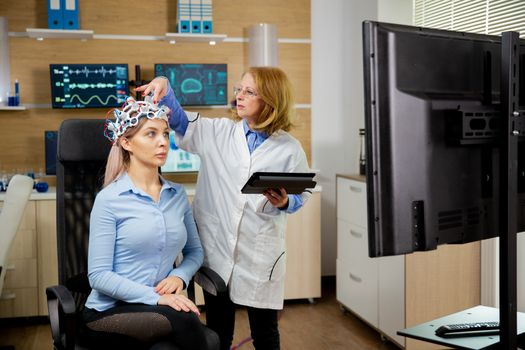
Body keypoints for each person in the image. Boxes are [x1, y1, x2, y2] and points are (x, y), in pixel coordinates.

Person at [136, 67, 312, 350]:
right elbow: (181, 120)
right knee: (218, 331)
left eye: (249, 92)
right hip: (217, 248)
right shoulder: (218, 132)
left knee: (265, 333)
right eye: (238, 90)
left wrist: (285, 201)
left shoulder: (289, 149)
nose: (239, 97)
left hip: (259, 253)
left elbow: (303, 191)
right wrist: (165, 87)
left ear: (270, 99)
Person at [83, 96, 216, 350]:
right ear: (126, 142)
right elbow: (98, 276)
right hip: (109, 313)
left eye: (165, 134)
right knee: (187, 321)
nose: (163, 141)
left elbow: (195, 252)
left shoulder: (177, 195)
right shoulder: (109, 199)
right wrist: (157, 297)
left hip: (157, 308)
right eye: (151, 134)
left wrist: (180, 276)